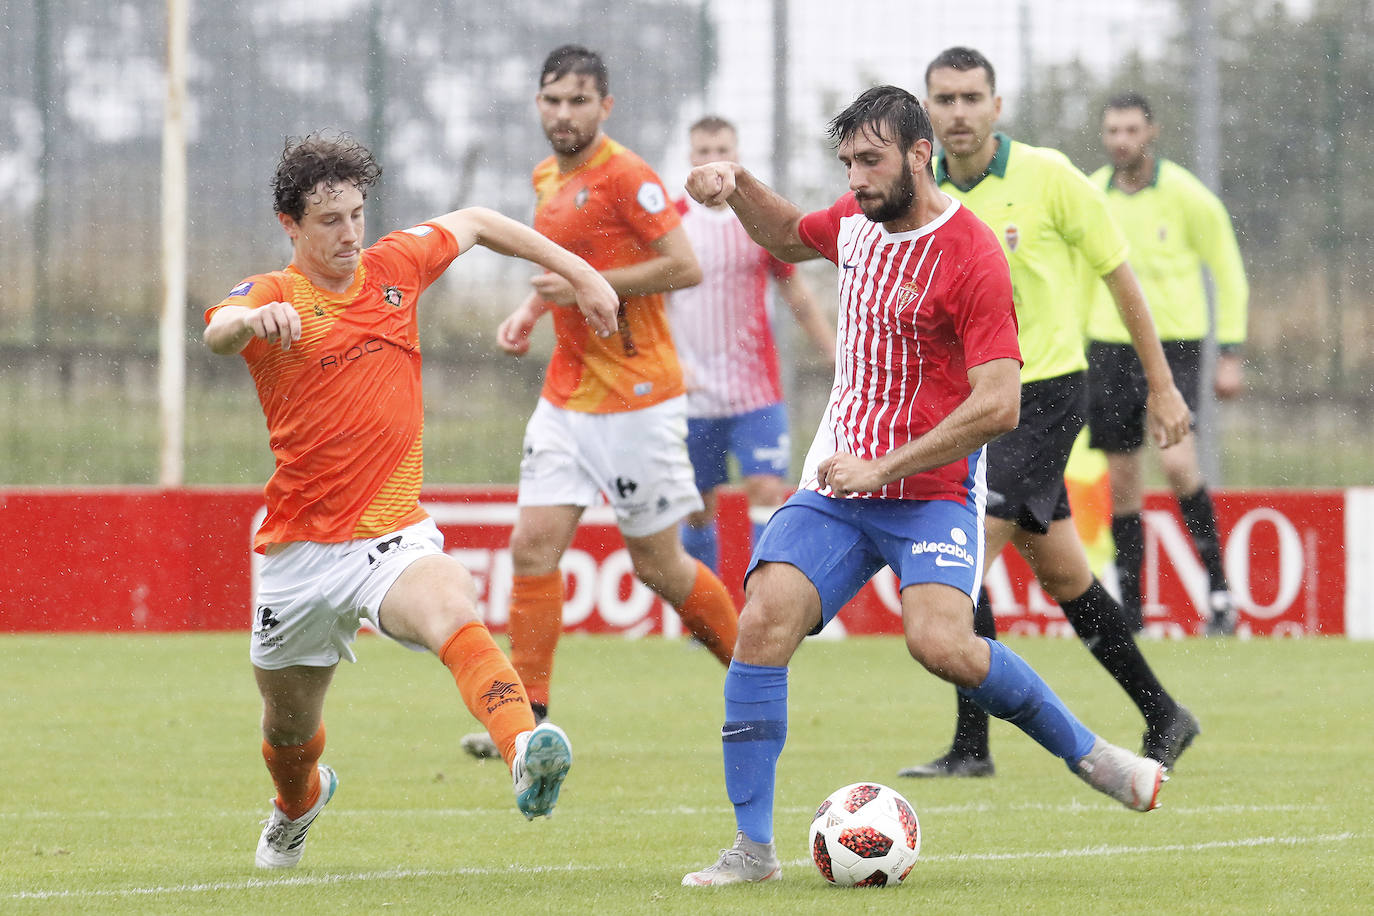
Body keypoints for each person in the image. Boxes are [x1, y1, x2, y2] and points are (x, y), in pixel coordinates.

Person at [680, 85, 1169, 888]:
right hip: (838, 486)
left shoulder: (970, 252)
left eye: (870, 161)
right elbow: (781, 232)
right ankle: (752, 850)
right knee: (763, 621)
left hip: (932, 491)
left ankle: (1094, 756)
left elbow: (1000, 403)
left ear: (918, 154)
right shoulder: (854, 223)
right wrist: (734, 182)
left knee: (941, 643)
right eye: (846, 164)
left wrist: (885, 465)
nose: (856, 179)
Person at [204, 131, 619, 868]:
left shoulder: (397, 265)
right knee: (288, 732)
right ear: (291, 226)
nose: (350, 233)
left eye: (357, 214)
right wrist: (247, 324)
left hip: (390, 536)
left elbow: (482, 221)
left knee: (452, 608)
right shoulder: (275, 294)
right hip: (299, 553)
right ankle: (298, 803)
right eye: (329, 220)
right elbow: (218, 329)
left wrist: (582, 273)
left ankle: (524, 748)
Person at [899, 47, 1199, 781]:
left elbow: (1119, 277)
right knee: (1063, 573)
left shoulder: (1049, 177)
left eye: (973, 97)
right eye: (945, 99)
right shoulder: (917, 195)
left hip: (1044, 396)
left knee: (959, 561)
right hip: (968, 403)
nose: (960, 112)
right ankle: (1165, 714)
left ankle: (974, 745)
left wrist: (1162, 386)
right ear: (927, 112)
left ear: (997, 106)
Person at [460, 46, 740, 759]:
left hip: (638, 400)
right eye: (552, 100)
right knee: (532, 547)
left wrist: (593, 281)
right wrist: (531, 310)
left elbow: (685, 265)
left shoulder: (628, 176)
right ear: (538, 104)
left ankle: (755, 679)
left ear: (604, 107)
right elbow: (560, 262)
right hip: (566, 395)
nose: (563, 114)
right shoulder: (546, 176)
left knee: (659, 567)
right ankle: (525, 721)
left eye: (578, 101)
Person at [1087, 92, 1249, 636]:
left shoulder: (1187, 196)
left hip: (1174, 345)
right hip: (1108, 347)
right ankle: (1132, 612)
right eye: (1112, 131)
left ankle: (1221, 596)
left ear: (1150, 132)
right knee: (1124, 480)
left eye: (1131, 130)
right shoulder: (1090, 194)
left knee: (1179, 466)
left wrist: (1230, 352)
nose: (1121, 141)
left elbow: (1227, 268)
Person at [669, 115, 836, 573]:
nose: (711, 160)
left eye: (720, 150)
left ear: (736, 157)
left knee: (764, 492)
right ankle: (705, 621)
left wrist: (834, 354)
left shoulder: (756, 219)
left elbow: (796, 295)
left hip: (755, 391)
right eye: (702, 151)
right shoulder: (671, 223)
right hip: (692, 394)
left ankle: (761, 603)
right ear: (690, 159)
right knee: (698, 507)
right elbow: (650, 305)